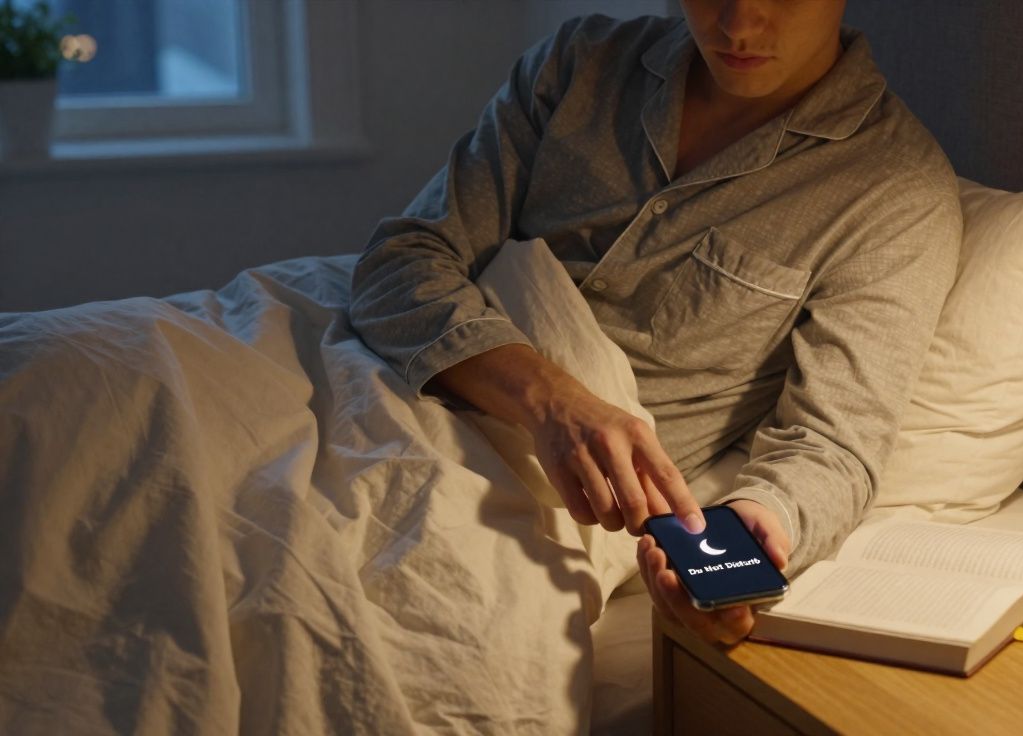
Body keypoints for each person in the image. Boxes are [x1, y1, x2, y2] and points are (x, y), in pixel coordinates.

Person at [349, 0, 960, 646]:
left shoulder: (897, 192)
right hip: (375, 377)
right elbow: (401, 261)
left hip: (522, 496)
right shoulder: (582, 65)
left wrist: (752, 532)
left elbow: (832, 446)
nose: (738, 24)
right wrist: (552, 401)